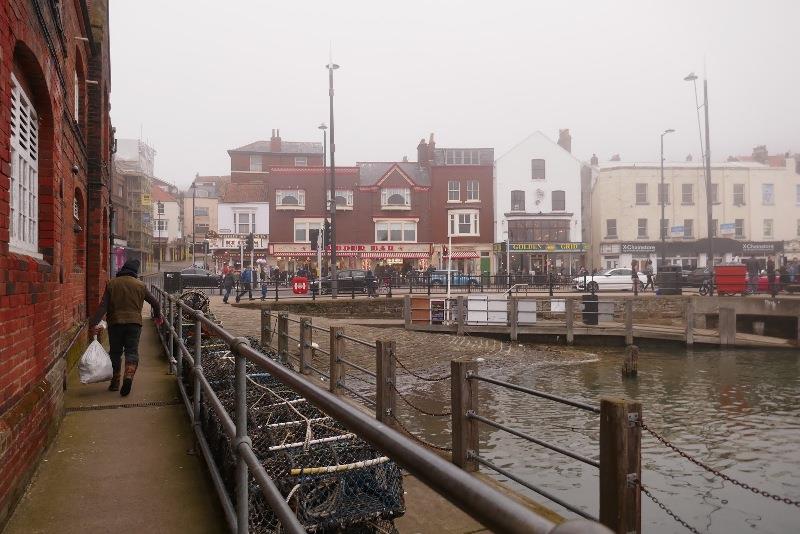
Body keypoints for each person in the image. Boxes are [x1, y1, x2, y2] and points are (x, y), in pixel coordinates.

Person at [89, 259, 163, 396]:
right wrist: (158, 317)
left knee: (115, 353)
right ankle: (128, 376)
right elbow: (155, 303)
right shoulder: (140, 285)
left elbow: (103, 306)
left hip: (115, 323)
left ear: (123, 269)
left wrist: (94, 323)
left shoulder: (111, 283)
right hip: (134, 324)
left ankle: (115, 383)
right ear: (135, 271)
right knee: (132, 351)